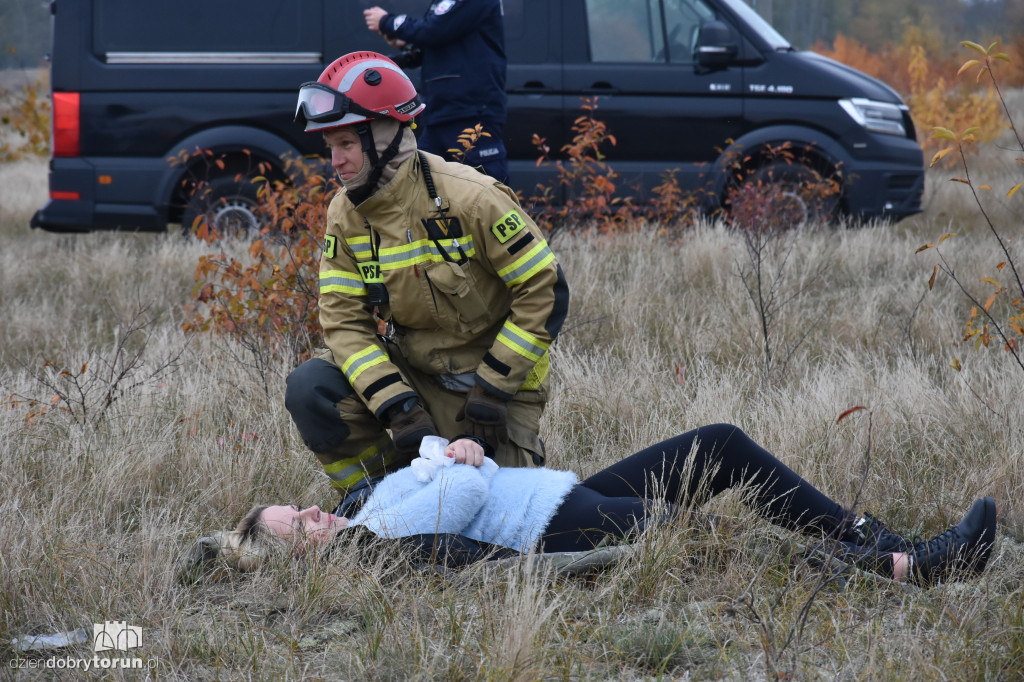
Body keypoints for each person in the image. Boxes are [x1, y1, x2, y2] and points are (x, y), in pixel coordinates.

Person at [286, 51, 569, 515]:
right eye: (330, 147)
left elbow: (546, 290)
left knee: (501, 514)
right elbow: (343, 325)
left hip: (496, 391)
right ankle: (371, 503)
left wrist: (491, 392)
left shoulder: (471, 198)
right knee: (310, 385)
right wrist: (399, 408)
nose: (335, 161)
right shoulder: (345, 214)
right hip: (415, 384)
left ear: (382, 136)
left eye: (346, 145)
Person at [220, 424, 997, 587]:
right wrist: (459, 458)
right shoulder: (376, 539)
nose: (314, 514)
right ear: (300, 560)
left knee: (720, 444)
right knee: (710, 538)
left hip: (571, 488)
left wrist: (443, 456)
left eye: (302, 508)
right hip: (558, 526)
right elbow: (461, 494)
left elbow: (439, 467)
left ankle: (873, 534)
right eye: (300, 528)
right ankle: (902, 568)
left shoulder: (371, 505)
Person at [363, 1, 509, 183]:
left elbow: (435, 30)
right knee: (418, 184)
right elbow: (440, 40)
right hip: (440, 114)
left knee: (486, 186)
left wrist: (387, 22)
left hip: (471, 112)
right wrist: (406, 46)